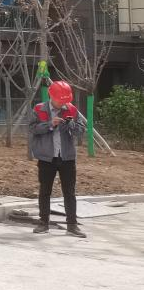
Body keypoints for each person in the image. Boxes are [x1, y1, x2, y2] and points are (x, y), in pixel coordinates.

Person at [28, 80, 88, 238]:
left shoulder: (71, 109)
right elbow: (32, 128)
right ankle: (43, 223)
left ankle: (72, 226)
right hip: (47, 158)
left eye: (65, 100)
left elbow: (81, 130)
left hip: (67, 158)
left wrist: (71, 125)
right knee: (45, 191)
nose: (63, 103)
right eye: (60, 100)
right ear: (51, 96)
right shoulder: (39, 109)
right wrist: (50, 124)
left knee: (69, 192)